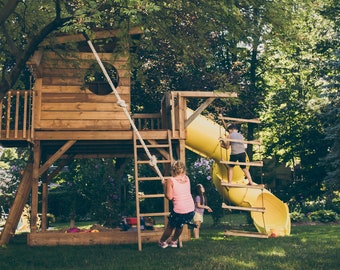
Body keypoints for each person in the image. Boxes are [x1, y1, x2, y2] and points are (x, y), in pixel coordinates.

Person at [159, 160, 195, 248]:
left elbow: (169, 197)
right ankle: (174, 241)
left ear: (173, 170)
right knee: (180, 225)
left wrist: (164, 186)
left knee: (170, 227)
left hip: (180, 210)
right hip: (190, 209)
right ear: (183, 170)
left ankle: (162, 242)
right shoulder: (187, 178)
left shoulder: (170, 180)